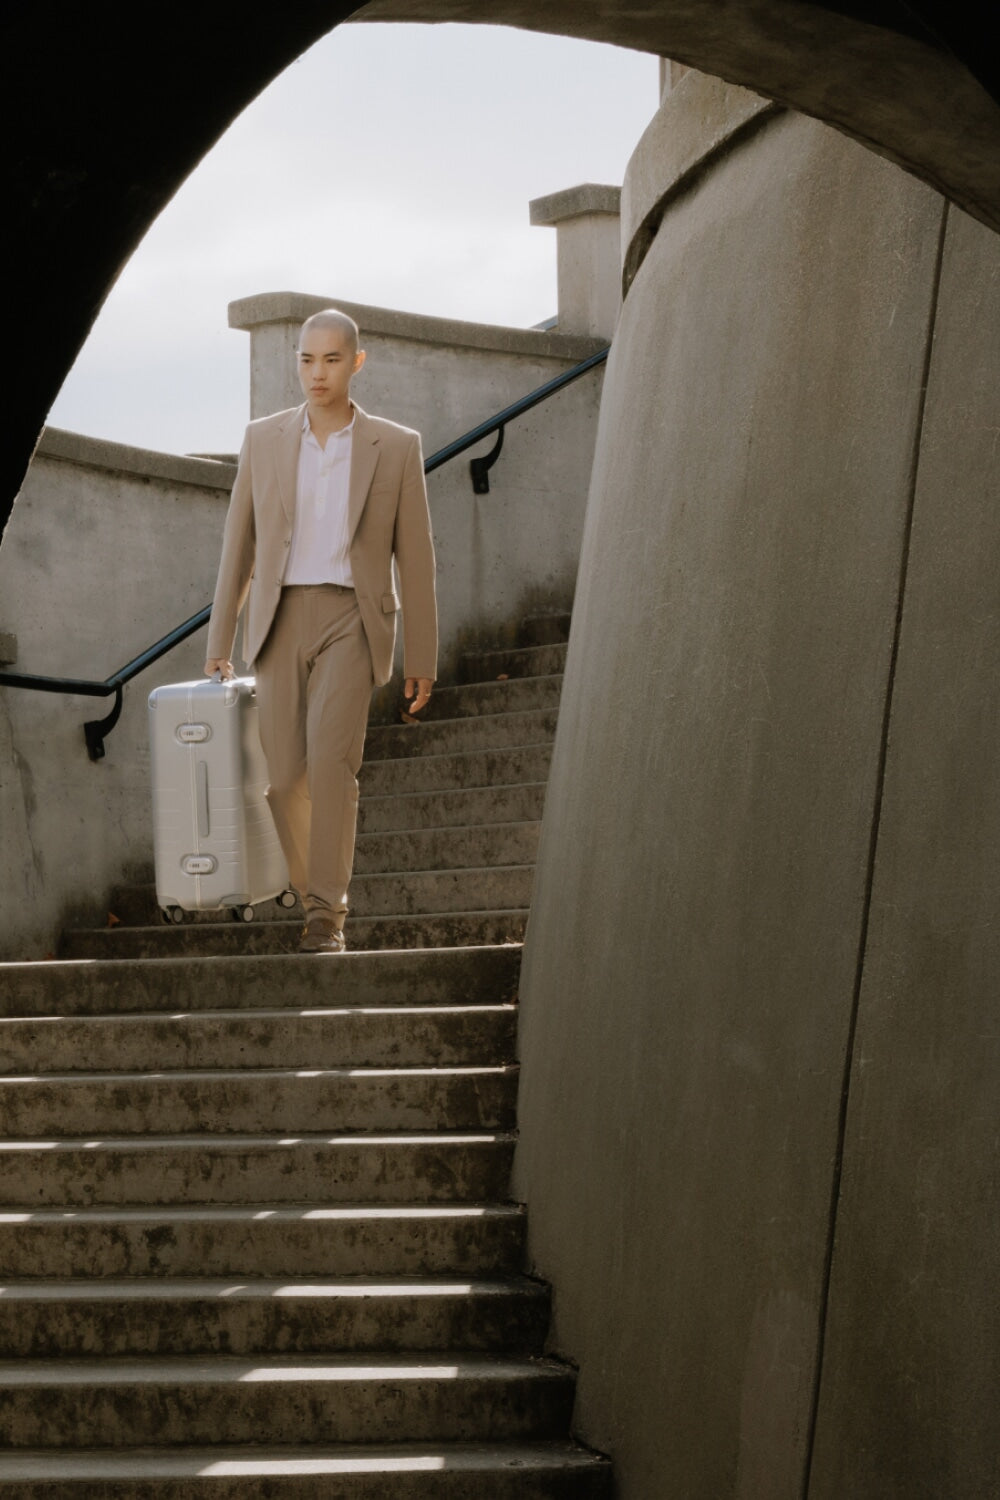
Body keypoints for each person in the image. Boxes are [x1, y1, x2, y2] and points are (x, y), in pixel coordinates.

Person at [204, 308, 437, 953]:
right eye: (306, 359)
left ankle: (324, 916)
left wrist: (423, 655)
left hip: (352, 620)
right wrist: (219, 642)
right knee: (285, 779)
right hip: (278, 621)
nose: (317, 372)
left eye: (331, 359)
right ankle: (317, 893)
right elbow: (240, 546)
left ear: (355, 363)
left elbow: (415, 558)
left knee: (332, 766)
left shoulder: (395, 446)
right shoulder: (263, 439)